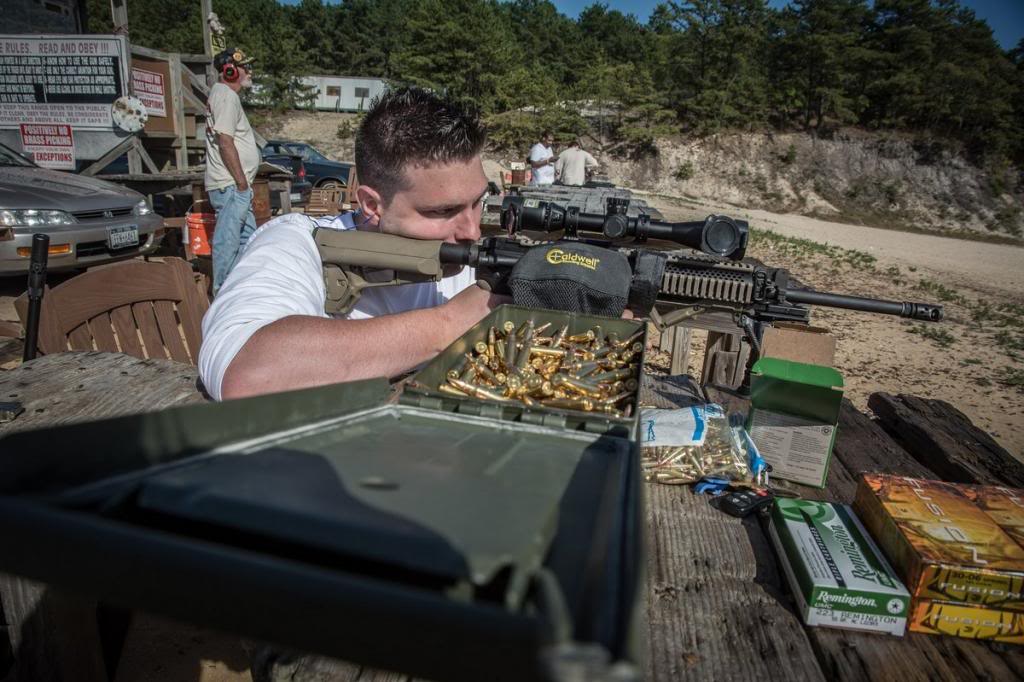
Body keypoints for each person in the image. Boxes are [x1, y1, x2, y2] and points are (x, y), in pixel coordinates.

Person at [198, 87, 505, 401]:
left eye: (478, 202)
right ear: (372, 204)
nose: (472, 231)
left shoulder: (474, 258)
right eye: (442, 211)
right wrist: (447, 326)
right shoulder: (298, 242)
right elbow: (246, 375)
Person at [205, 47, 260, 294]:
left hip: (235, 187)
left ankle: (238, 291)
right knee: (229, 242)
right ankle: (222, 294)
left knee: (248, 243)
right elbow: (225, 140)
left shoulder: (224, 96)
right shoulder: (227, 96)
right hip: (231, 186)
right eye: (245, 67)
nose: (250, 71)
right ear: (229, 70)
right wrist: (241, 183)